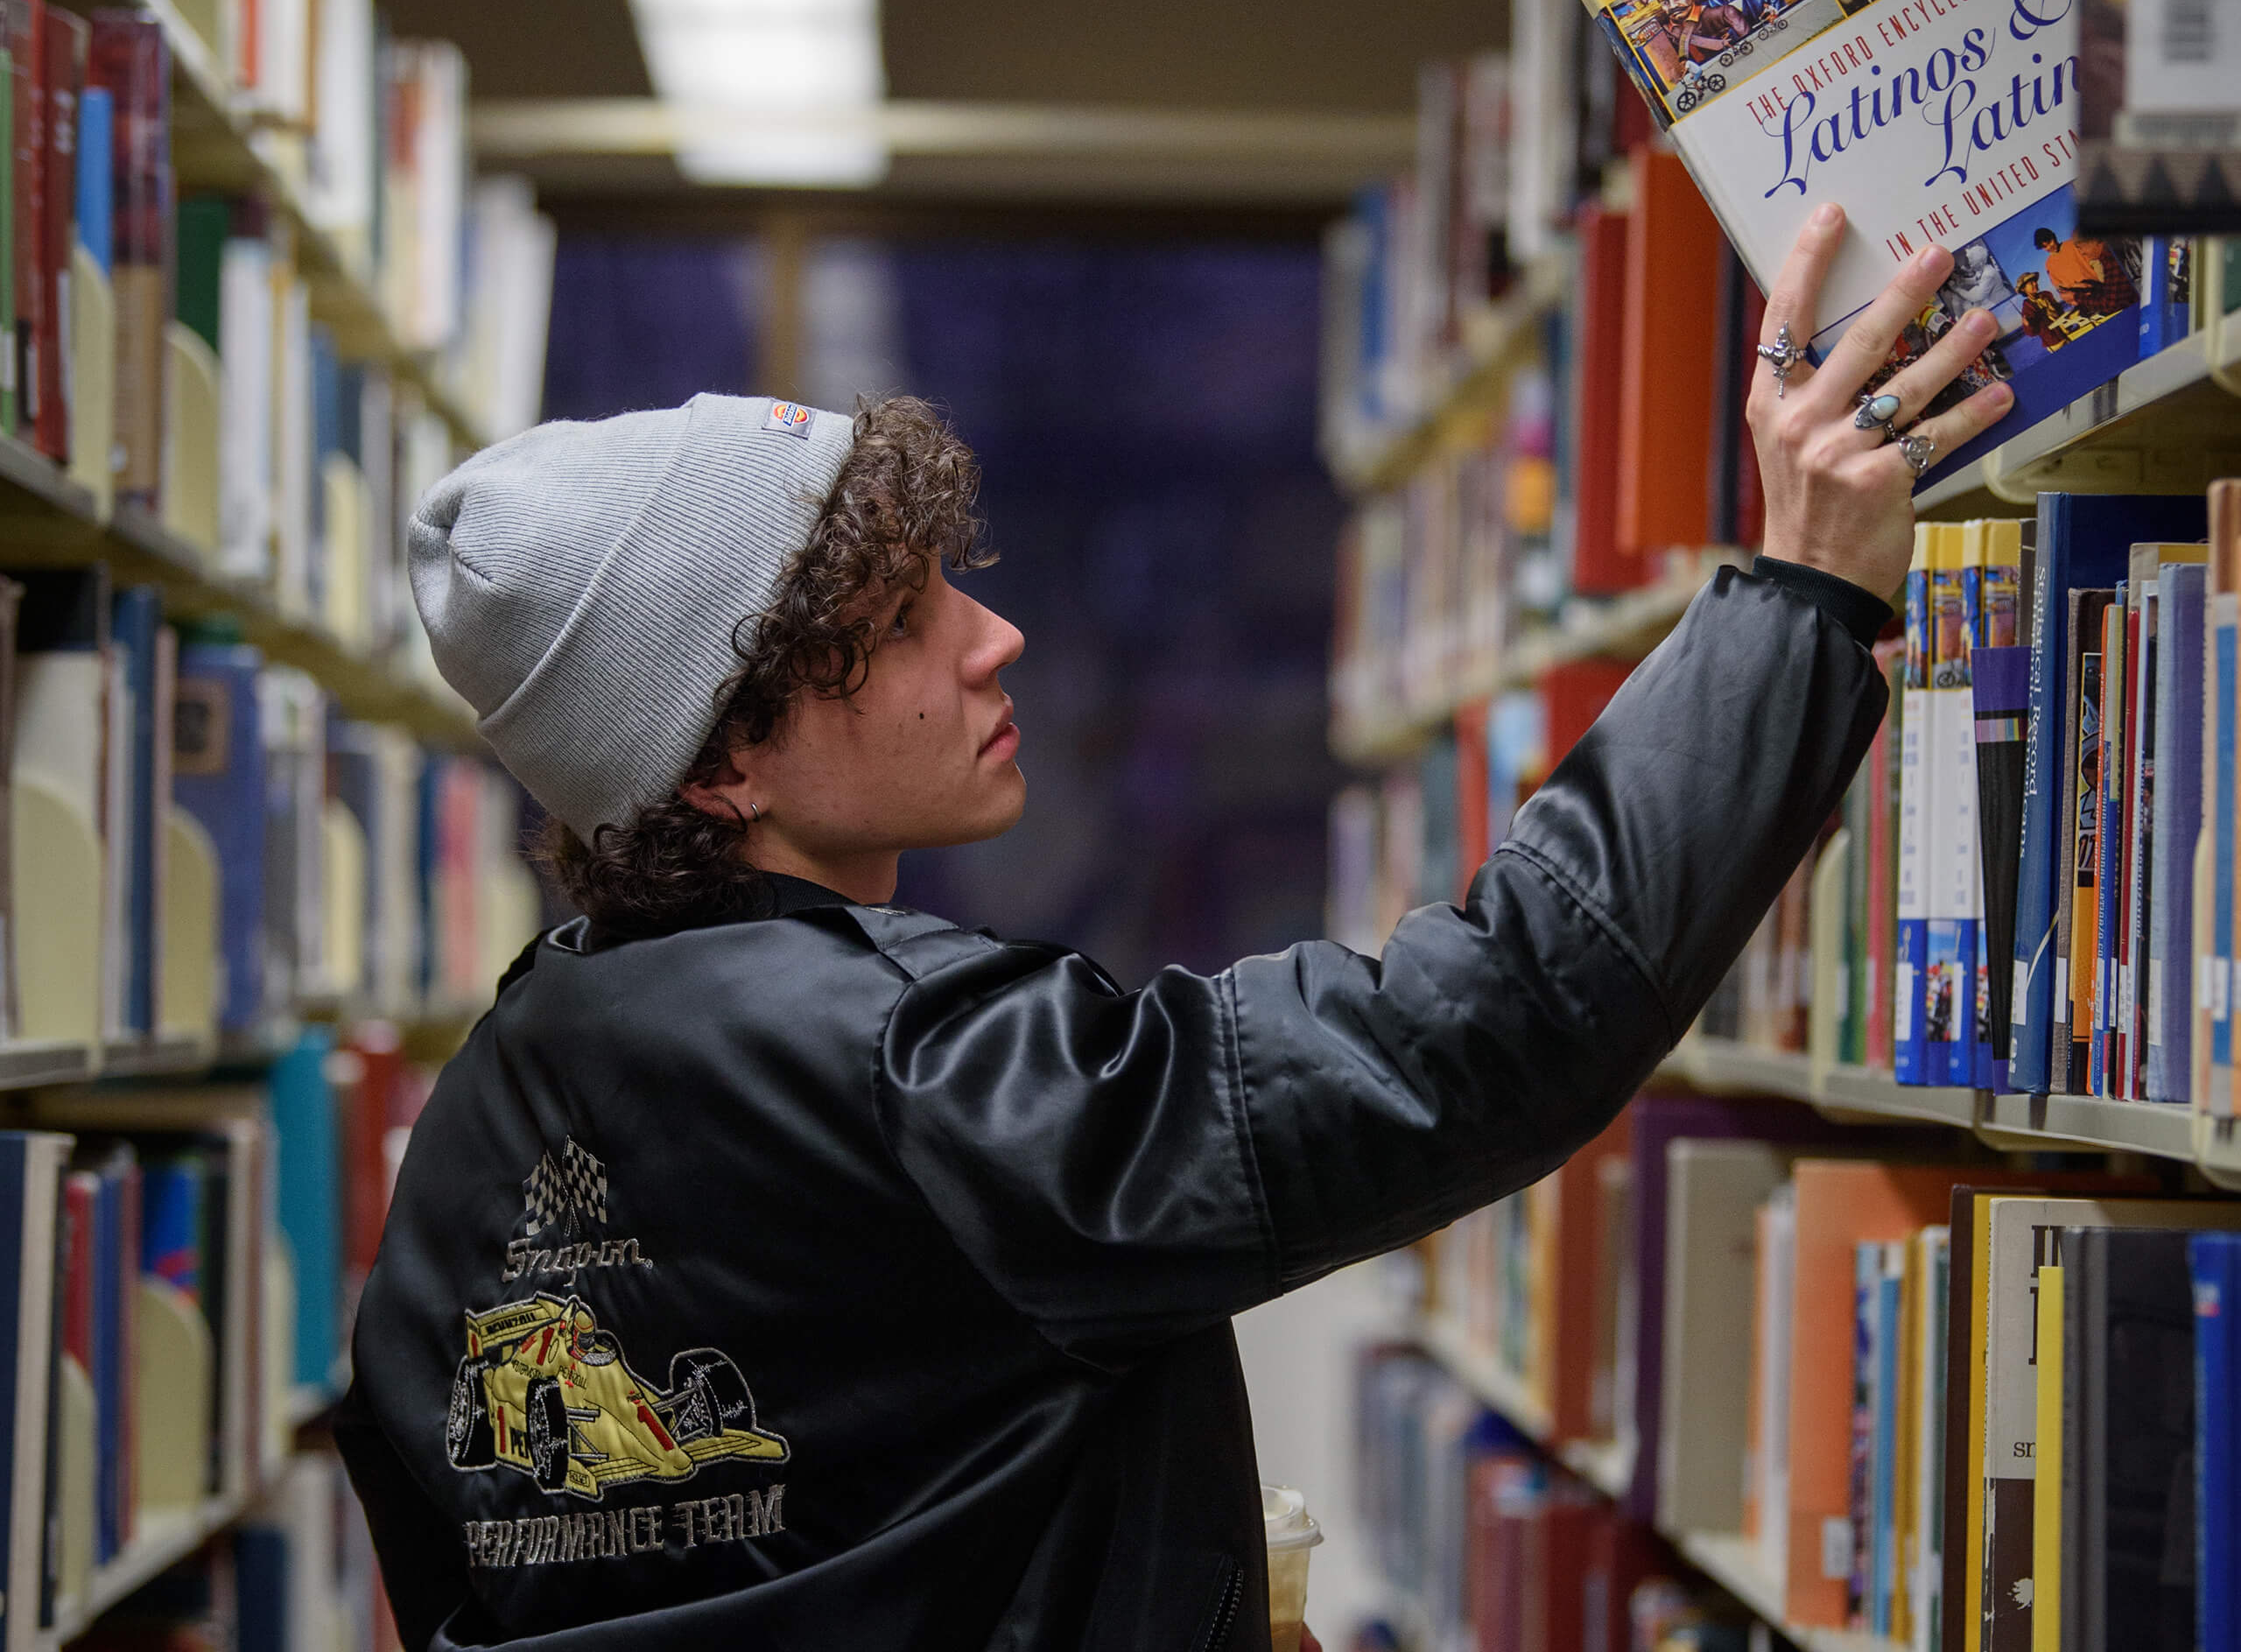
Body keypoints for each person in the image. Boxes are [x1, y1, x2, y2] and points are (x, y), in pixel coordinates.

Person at [335, 206, 2013, 1651]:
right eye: (901, 624)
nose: (994, 640)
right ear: (721, 763)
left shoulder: (464, 1149)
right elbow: (1491, 1027)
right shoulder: (919, 1073)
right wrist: (1804, 593)